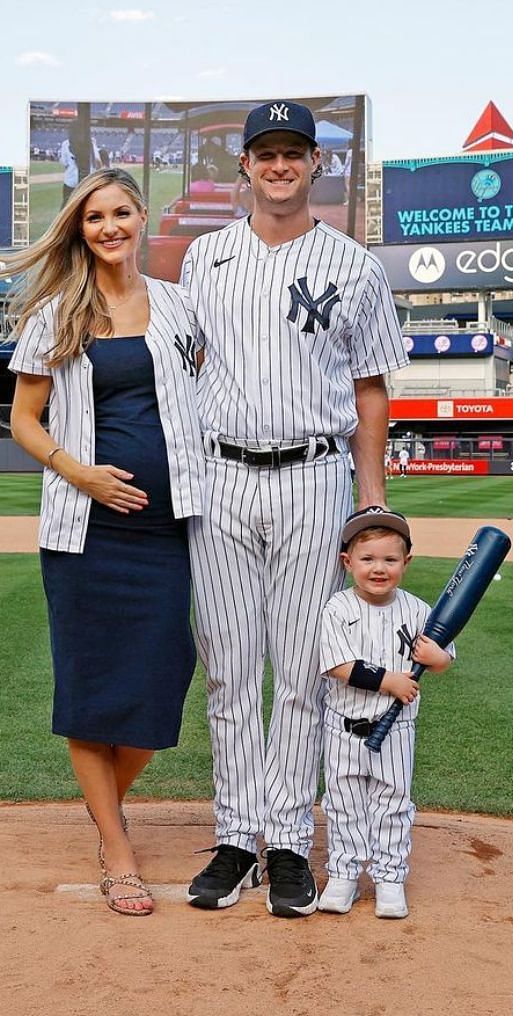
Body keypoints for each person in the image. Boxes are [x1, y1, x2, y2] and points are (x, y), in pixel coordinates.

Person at [182, 100, 410, 917]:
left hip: (314, 477)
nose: (279, 166)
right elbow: (183, 371)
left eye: (294, 153)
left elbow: (371, 385)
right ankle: (236, 836)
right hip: (221, 480)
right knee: (232, 668)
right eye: (264, 153)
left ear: (318, 165)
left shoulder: (355, 265)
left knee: (302, 674)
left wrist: (372, 494)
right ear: (242, 166)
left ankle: (285, 841)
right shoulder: (204, 260)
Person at [0, 166, 208, 916]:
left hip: (170, 528)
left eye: (121, 212)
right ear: (80, 231)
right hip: (83, 532)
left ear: (142, 217)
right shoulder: (57, 313)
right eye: (94, 218)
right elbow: (24, 421)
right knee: (90, 694)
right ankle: (117, 849)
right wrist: (79, 473)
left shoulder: (183, 307)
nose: (110, 227)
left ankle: (104, 813)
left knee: (163, 676)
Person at [315, 508, 453, 919]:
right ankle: (344, 874)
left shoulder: (417, 610)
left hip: (396, 730)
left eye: (390, 560)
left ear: (406, 563)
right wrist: (388, 681)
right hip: (343, 727)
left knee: (392, 801)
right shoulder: (336, 608)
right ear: (347, 562)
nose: (379, 569)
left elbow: (444, 658)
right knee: (343, 803)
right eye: (368, 559)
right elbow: (338, 665)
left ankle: (390, 877)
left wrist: (438, 657)